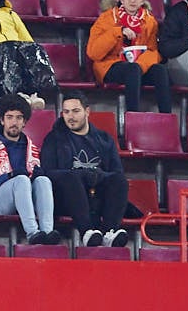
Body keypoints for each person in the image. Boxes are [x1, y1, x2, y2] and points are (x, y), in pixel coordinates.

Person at [41, 91, 130, 247]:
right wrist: (80, 174)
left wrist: (97, 175)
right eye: (66, 112)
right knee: (71, 178)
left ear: (87, 112)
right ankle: (87, 232)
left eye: (75, 111)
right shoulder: (53, 138)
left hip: (98, 197)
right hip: (67, 198)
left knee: (119, 181)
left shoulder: (104, 139)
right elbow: (47, 172)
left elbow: (117, 172)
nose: (70, 116)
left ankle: (110, 232)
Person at [0, 94, 61, 245]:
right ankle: (33, 233)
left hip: (25, 200)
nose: (14, 122)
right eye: (9, 117)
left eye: (19, 118)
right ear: (1, 120)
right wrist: (9, 176)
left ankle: (47, 232)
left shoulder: (31, 148)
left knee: (43, 180)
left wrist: (37, 175)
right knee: (20, 180)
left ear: (25, 122)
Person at [87, 0, 172, 113]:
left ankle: (167, 117)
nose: (132, 1)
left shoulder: (150, 21)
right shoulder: (106, 18)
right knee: (132, 70)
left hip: (137, 67)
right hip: (109, 66)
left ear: (143, 0)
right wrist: (117, 32)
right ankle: (133, 115)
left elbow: (154, 51)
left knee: (160, 70)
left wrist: (140, 65)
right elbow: (93, 53)